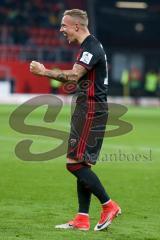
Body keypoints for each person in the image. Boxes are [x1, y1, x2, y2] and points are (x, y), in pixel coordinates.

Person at [30, 9, 121, 231]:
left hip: (91, 109)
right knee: (83, 164)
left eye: (64, 26)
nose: (61, 30)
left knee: (74, 164)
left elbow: (73, 75)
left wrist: (43, 72)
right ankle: (82, 219)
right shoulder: (89, 47)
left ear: (77, 26)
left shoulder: (90, 47)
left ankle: (109, 205)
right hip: (88, 109)